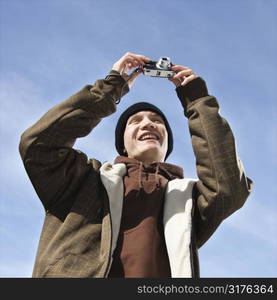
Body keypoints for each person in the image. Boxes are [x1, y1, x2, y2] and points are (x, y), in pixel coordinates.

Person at [19, 52, 252, 278]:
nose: (148, 124)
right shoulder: (83, 179)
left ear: (167, 143)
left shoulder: (188, 200)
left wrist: (198, 101)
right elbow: (38, 146)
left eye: (157, 121)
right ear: (122, 144)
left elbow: (228, 189)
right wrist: (110, 87)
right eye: (135, 121)